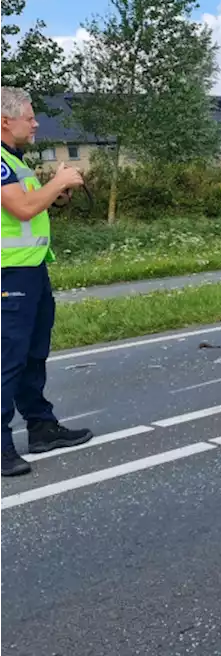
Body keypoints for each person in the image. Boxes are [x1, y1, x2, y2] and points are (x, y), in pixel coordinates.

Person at [0, 87, 93, 478]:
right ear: (5, 121)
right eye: (30, 117)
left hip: (32, 268)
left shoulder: (14, 160)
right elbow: (21, 209)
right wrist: (58, 183)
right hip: (8, 273)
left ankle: (41, 426)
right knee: (7, 358)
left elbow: (32, 205)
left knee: (33, 353)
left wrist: (57, 189)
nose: (36, 123)